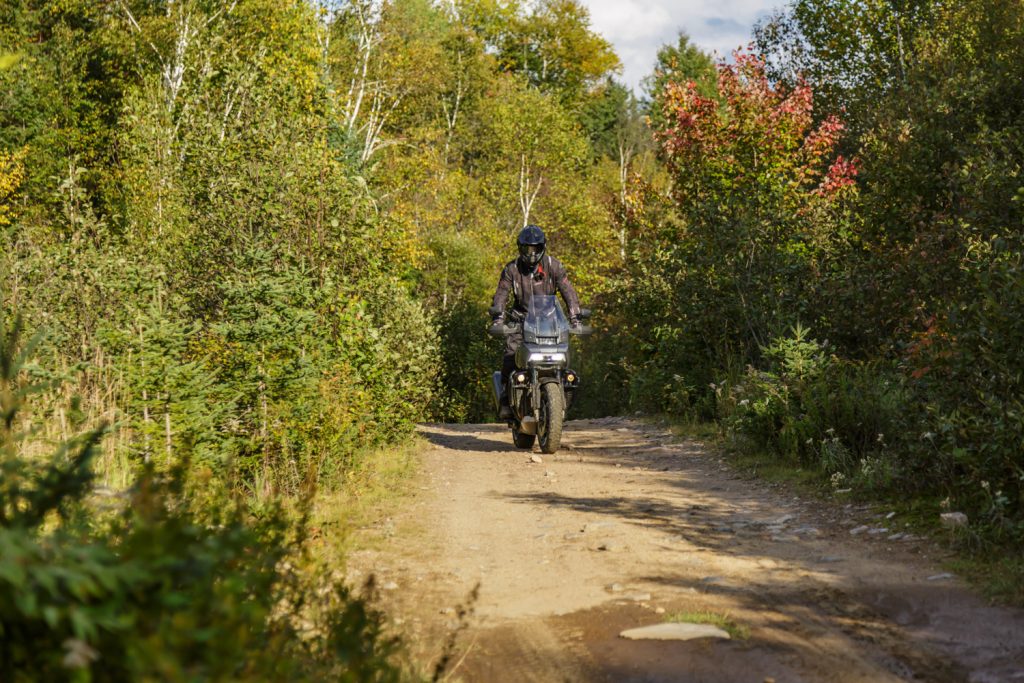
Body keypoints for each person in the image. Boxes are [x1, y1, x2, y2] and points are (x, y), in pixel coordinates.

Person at [490, 224, 581, 418]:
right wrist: (498, 318)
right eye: (526, 248)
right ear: (520, 248)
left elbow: (568, 292)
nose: (531, 254)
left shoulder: (554, 266)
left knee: (564, 362)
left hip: (550, 323)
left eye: (535, 248)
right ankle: (506, 399)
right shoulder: (512, 269)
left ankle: (562, 394)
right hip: (520, 321)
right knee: (510, 356)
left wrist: (575, 317)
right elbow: (501, 294)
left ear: (542, 247)